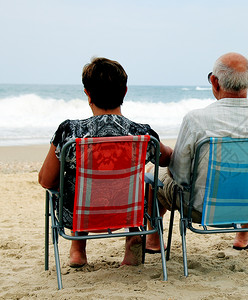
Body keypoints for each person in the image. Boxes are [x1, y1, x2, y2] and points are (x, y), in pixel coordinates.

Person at [146, 52, 248, 252]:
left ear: (214, 81)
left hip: (199, 210)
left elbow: (178, 176)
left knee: (152, 174)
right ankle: (243, 236)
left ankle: (153, 241)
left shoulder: (196, 120)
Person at [38, 57, 173, 267]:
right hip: (129, 213)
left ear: (87, 93)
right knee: (140, 178)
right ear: (125, 91)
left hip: (78, 215)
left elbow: (46, 181)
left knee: (76, 182)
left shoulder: (70, 133)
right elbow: (165, 159)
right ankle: (132, 237)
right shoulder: (142, 133)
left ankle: (78, 248)